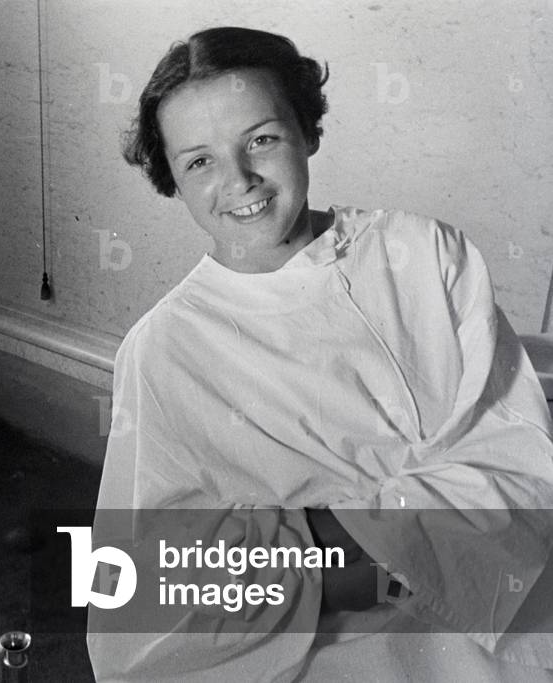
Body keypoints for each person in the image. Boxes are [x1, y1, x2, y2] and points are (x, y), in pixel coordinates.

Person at [87, 26, 553, 681]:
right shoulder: (163, 351)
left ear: (306, 130)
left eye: (261, 139)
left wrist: (318, 530)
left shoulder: (426, 255)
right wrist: (371, 539)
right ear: (172, 178)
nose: (239, 179)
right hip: (325, 647)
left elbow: (521, 459)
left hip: (507, 602)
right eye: (199, 161)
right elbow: (145, 603)